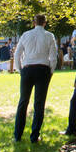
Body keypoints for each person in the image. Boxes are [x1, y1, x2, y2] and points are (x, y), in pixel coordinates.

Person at [13, 15, 58, 143]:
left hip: (27, 68)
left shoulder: (26, 35)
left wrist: (20, 69)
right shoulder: (49, 36)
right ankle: (34, 136)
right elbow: (53, 57)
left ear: (34, 23)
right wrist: (51, 71)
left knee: (23, 101)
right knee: (39, 103)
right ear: (45, 23)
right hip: (43, 69)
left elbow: (17, 54)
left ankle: (17, 135)